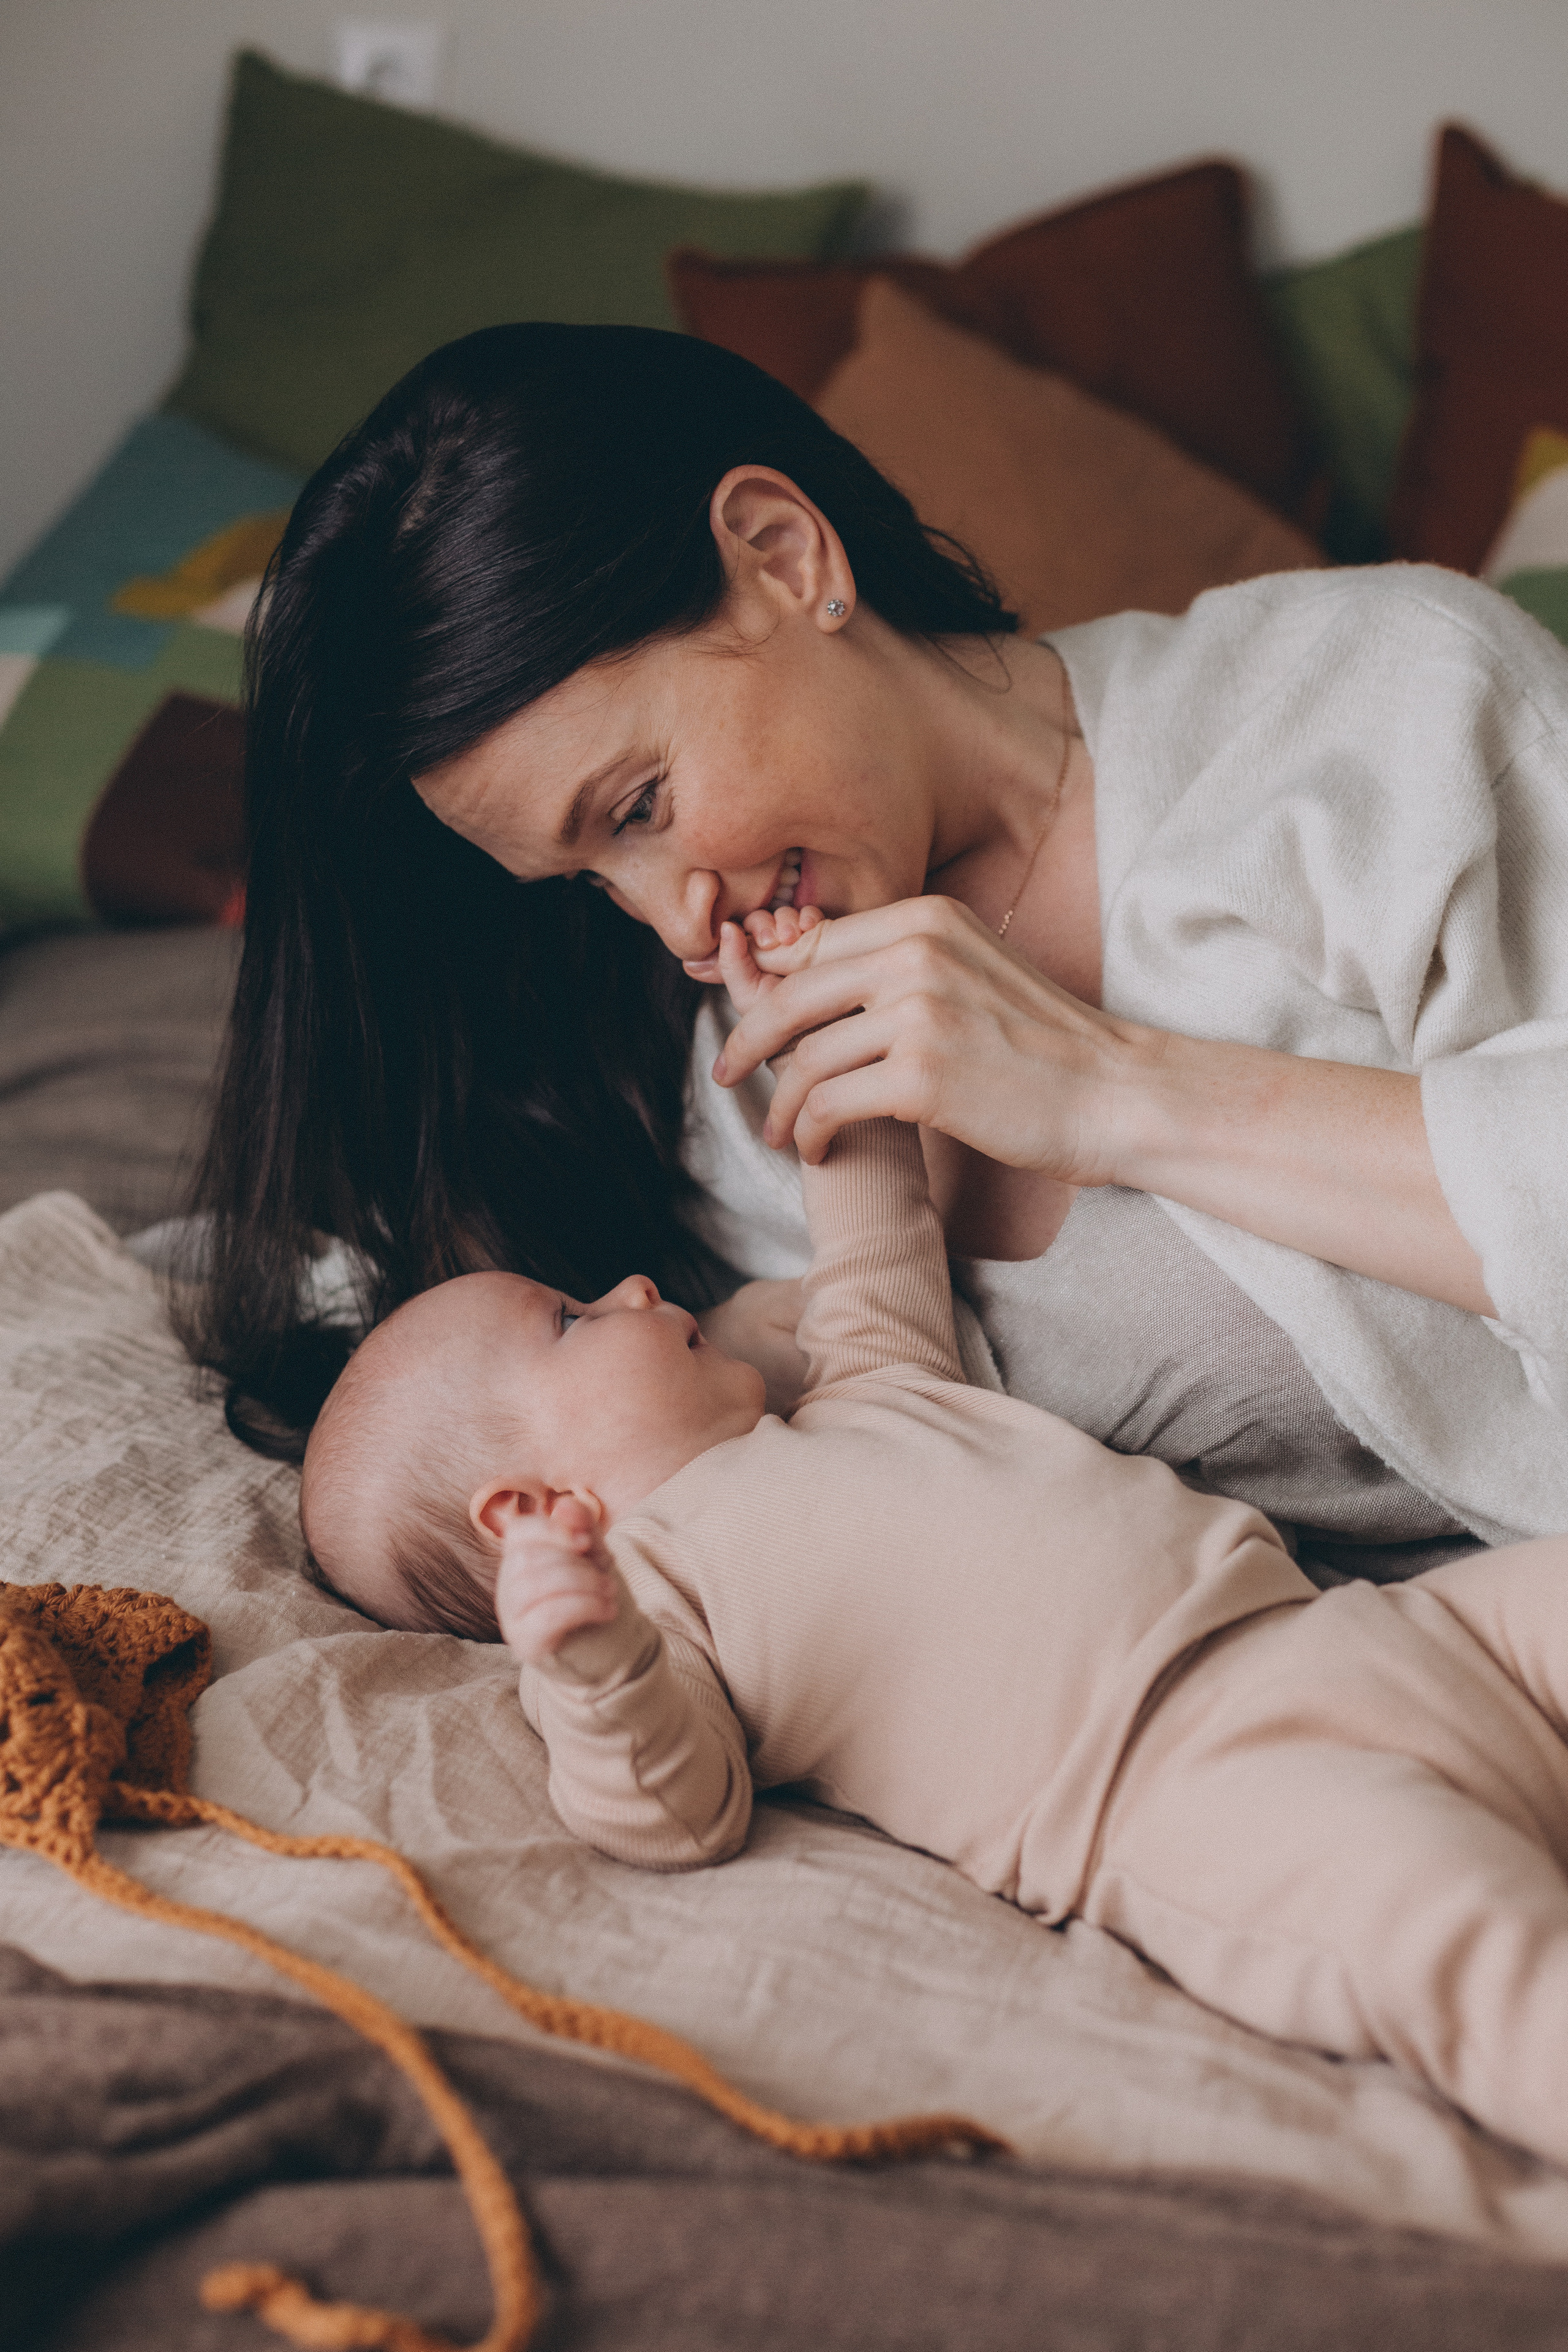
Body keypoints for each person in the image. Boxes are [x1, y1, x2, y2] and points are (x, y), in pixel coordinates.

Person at [187, 319, 1568, 1567]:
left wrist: (1109, 1090)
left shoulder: (1390, 708)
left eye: (642, 807)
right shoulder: (739, 1099)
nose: (676, 919)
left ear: (784, 559)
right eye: (589, 878)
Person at [301, 919, 1568, 2174]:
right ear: (523, 1506)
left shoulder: (866, 1387)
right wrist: (586, 1658)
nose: (634, 1291)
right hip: (1197, 1793)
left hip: (1357, 1629)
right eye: (573, 1321)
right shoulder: (655, 1615)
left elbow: (870, 1226)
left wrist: (796, 1023)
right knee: (1462, 1951)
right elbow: (670, 1808)